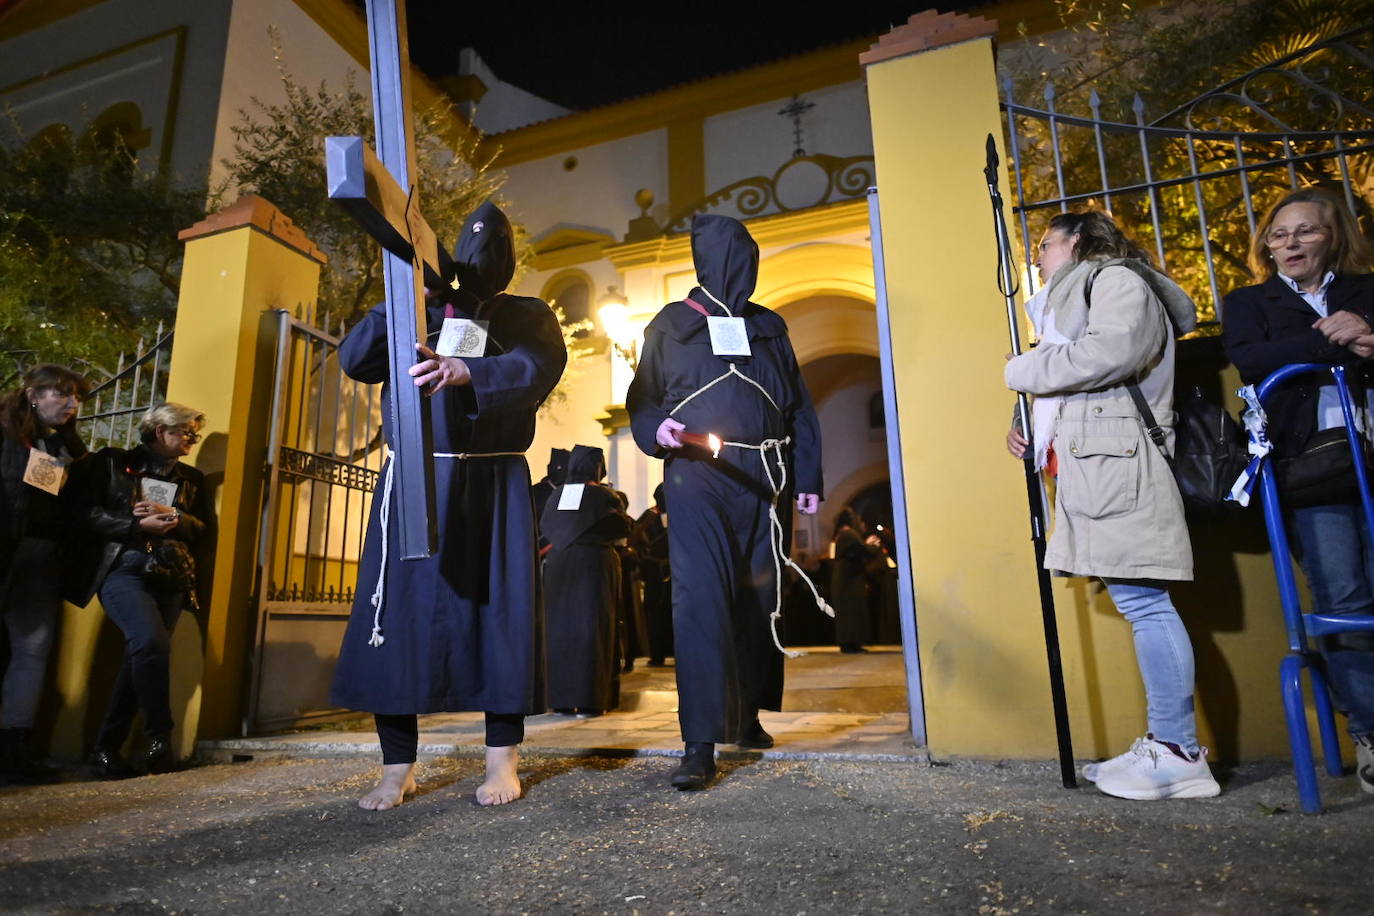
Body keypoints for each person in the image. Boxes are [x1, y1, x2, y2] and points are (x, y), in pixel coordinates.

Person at [330, 201, 566, 810]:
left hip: (493, 484)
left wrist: (468, 370)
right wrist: (400, 290)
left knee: (499, 619)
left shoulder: (526, 314)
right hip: (415, 478)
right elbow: (357, 360)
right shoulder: (415, 308)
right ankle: (396, 767)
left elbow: (537, 366)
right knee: (400, 618)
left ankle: (501, 761)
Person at [1004, 209, 1220, 801]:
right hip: (1098, 460)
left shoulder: (1116, 282)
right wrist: (1027, 424)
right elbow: (1074, 378)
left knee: (1147, 604)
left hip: (1118, 460)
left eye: (1046, 245)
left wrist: (1018, 370)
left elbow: (1107, 356)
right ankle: (1166, 742)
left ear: (1077, 242)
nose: (1039, 257)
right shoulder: (1076, 300)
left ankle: (1178, 753)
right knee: (1140, 602)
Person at [626, 214, 824, 790]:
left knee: (758, 596)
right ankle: (699, 741)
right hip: (697, 477)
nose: (743, 263)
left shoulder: (768, 325)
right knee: (702, 599)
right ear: (706, 258)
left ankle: (747, 714)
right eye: (731, 253)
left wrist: (808, 474)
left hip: (765, 473)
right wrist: (654, 429)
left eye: (748, 252)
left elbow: (800, 408)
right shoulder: (670, 324)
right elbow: (640, 397)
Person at [1220, 186, 1374, 795]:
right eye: (1278, 235)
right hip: (1311, 468)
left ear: (1333, 235)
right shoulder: (1249, 302)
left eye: (1304, 231)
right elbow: (1252, 359)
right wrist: (1340, 339)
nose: (1289, 243)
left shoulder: (1366, 290)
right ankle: (1369, 733)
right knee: (1345, 596)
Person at [71, 402, 212, 778]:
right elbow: (86, 513)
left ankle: (106, 748)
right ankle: (159, 739)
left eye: (194, 433)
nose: (191, 438)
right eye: (184, 431)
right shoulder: (115, 463)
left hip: (170, 575)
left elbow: (202, 530)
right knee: (150, 644)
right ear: (157, 430)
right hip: (124, 570)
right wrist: (135, 525)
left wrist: (178, 519)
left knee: (142, 657)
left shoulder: (192, 479)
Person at [0, 364, 88, 783]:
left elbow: (62, 500)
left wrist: (71, 447)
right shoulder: (6, 434)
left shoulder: (58, 446)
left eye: (77, 397)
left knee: (32, 650)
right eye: (64, 394)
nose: (72, 404)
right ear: (34, 394)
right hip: (7, 549)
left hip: (38, 554)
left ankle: (15, 750)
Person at [541, 445, 629, 717]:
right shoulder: (603, 495)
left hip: (558, 568)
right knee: (593, 631)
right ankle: (592, 700)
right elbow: (622, 528)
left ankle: (563, 700)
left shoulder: (557, 495)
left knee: (560, 632)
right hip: (594, 566)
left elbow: (545, 527)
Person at [632, 484, 673, 667]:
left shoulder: (677, 514)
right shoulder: (649, 517)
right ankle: (657, 654)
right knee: (656, 616)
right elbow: (636, 541)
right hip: (655, 574)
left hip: (673, 575)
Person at [829, 509, 881, 654]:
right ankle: (850, 644)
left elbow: (857, 549)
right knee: (851, 611)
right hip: (848, 580)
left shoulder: (843, 535)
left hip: (846, 578)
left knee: (849, 612)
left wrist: (866, 544)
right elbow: (862, 550)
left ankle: (850, 644)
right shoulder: (848, 534)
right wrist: (872, 545)